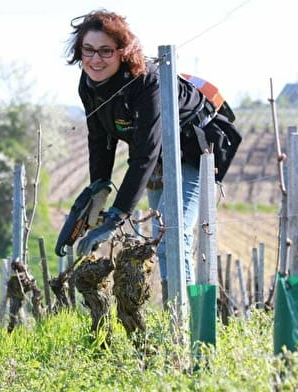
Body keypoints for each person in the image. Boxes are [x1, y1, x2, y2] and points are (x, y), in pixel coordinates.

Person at [66, 9, 227, 306]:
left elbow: (144, 154)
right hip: (159, 158)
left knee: (172, 236)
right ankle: (173, 317)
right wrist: (98, 189)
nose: (95, 59)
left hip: (195, 150)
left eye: (105, 51)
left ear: (122, 52)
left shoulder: (145, 81)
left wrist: (117, 216)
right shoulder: (88, 83)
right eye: (88, 50)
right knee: (161, 236)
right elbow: (99, 139)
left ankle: (186, 323)